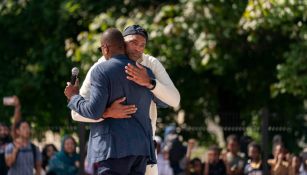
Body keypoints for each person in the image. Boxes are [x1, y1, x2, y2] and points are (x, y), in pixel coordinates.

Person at [70, 24, 180, 175]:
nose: (138, 48)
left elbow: (175, 100)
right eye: (133, 42)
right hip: (128, 151)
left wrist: (150, 83)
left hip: (142, 151)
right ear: (122, 42)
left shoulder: (149, 65)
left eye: (143, 45)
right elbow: (75, 114)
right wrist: (106, 112)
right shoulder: (101, 65)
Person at [1, 95, 21, 175]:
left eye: (5, 130)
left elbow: (16, 124)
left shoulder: (11, 141)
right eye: (0, 130)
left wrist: (17, 107)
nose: (3, 132)